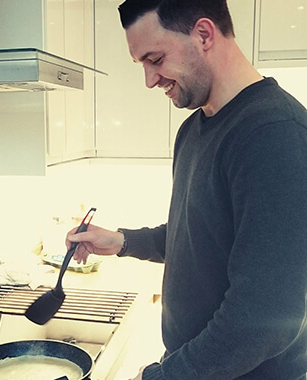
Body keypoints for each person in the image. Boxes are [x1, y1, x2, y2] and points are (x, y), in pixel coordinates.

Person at [66, 0, 307, 379]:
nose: (149, 79)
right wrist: (122, 241)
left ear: (204, 34)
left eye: (155, 59)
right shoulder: (194, 130)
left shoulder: (274, 134)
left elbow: (264, 319)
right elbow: (198, 238)